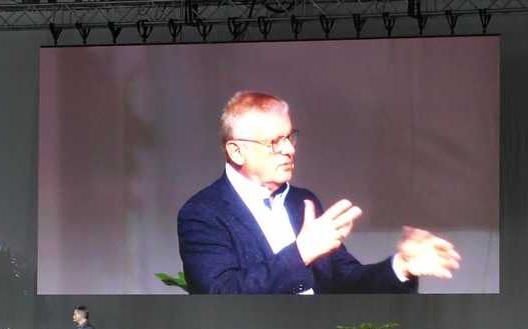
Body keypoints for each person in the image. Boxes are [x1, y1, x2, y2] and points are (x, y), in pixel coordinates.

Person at [177, 91, 461, 294]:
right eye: (274, 142)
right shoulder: (202, 213)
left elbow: (347, 283)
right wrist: (301, 252)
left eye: (290, 137)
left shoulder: (304, 201)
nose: (289, 149)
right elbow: (220, 294)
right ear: (236, 151)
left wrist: (402, 266)